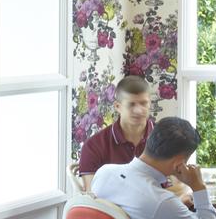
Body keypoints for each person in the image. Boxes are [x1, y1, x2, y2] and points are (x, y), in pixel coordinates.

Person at [92, 117, 216, 219]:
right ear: (179, 164)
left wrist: (176, 207)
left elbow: (137, 206)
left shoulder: (104, 172)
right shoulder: (161, 203)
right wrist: (198, 187)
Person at [78, 75, 191, 205]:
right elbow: (94, 197)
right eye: (131, 104)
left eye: (143, 103)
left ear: (150, 103)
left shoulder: (167, 139)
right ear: (117, 106)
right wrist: (154, 199)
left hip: (164, 210)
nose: (138, 110)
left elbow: (182, 186)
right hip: (116, 216)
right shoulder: (93, 146)